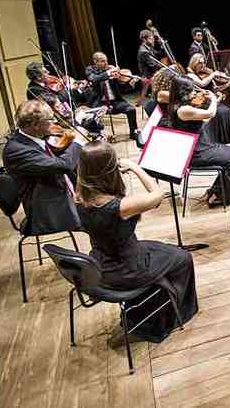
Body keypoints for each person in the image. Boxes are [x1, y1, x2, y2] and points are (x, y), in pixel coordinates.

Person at [75, 140, 198, 343]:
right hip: (129, 269)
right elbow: (157, 195)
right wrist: (134, 166)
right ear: (110, 170)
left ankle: (157, 307)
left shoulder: (78, 197)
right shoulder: (119, 207)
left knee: (161, 248)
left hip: (100, 263)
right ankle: (179, 313)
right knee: (183, 257)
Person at [2, 100, 81, 235]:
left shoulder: (33, 138)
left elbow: (55, 160)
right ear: (35, 124)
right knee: (104, 218)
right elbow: (63, 165)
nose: (54, 123)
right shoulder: (16, 150)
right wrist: (76, 142)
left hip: (62, 193)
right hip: (49, 210)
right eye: (50, 120)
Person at [167, 75, 230, 206]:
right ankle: (220, 197)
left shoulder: (179, 105)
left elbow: (203, 119)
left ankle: (216, 190)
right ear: (182, 91)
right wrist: (212, 98)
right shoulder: (183, 110)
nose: (195, 92)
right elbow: (210, 114)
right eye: (191, 90)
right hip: (197, 153)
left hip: (201, 146)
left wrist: (211, 101)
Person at [84, 52, 139, 140]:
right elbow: (93, 78)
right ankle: (97, 137)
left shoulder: (112, 71)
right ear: (95, 62)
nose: (106, 63)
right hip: (99, 103)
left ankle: (133, 133)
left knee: (131, 109)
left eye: (106, 61)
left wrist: (130, 84)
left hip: (115, 102)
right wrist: (108, 74)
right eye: (102, 61)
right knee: (91, 117)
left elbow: (122, 89)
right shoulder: (90, 70)